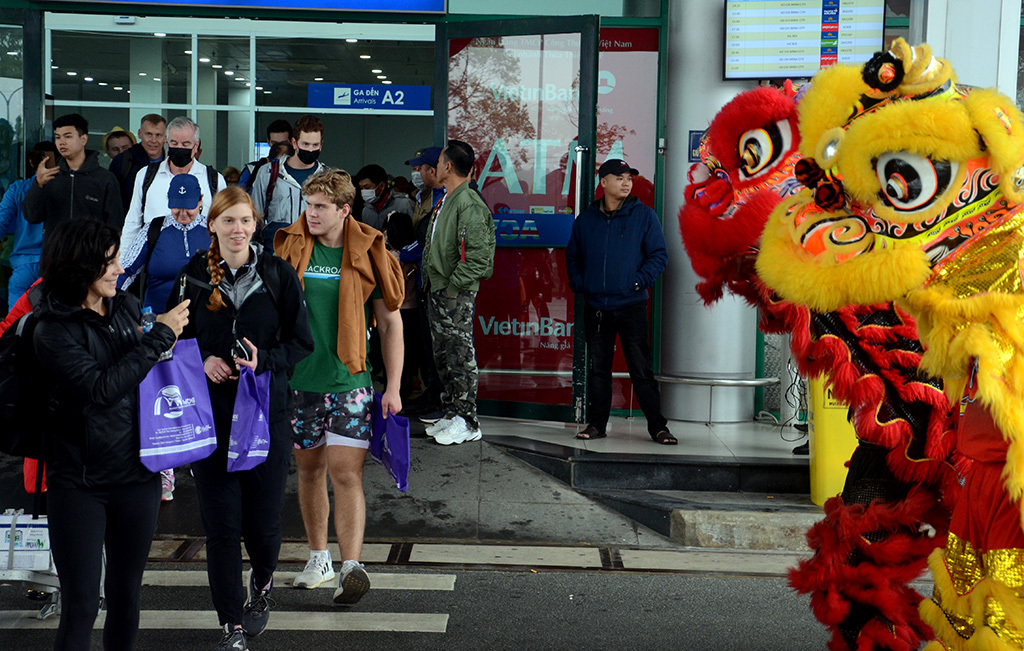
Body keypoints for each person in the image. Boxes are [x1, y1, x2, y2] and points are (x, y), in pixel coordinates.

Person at [32, 218, 189, 651]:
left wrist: (162, 339)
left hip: (137, 473)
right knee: (81, 605)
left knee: (125, 597)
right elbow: (101, 389)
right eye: (109, 261)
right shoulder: (52, 329)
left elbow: (141, 371)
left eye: (118, 258)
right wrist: (159, 337)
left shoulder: (121, 305)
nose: (119, 268)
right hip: (79, 481)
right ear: (79, 266)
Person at [174, 186, 312, 650]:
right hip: (211, 417)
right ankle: (230, 624)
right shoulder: (193, 275)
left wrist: (265, 361)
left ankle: (263, 584)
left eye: (245, 221)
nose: (237, 229)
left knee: (264, 526)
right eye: (228, 221)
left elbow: (301, 343)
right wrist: (203, 359)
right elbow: (173, 339)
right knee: (221, 528)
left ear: (257, 225)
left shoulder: (278, 274)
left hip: (265, 415)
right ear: (211, 224)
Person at [274, 169, 404, 602]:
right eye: (308, 205)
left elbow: (389, 322)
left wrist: (394, 387)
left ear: (344, 210)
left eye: (320, 207)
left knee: (345, 473)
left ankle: (352, 565)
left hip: (351, 379)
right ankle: (318, 558)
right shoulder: (291, 245)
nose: (310, 214)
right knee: (309, 471)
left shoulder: (369, 249)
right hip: (300, 379)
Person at [565, 158, 674, 445]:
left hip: (631, 306)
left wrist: (637, 282)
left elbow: (658, 256)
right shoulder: (586, 221)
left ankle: (658, 428)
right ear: (604, 183)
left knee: (641, 370)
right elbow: (573, 258)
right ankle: (597, 425)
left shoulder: (644, 216)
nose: (626, 182)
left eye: (629, 178)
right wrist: (582, 284)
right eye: (620, 177)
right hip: (597, 307)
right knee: (599, 370)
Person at [421, 140, 496, 445]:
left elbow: (479, 258)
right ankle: (452, 412)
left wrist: (453, 288)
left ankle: (467, 420)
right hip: (439, 290)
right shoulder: (448, 198)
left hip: (455, 292)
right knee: (445, 355)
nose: (434, 168)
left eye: (438, 162)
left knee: (460, 355)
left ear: (448, 167)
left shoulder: (469, 203)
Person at [119, 116, 224, 266]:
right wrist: (122, 265)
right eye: (174, 143)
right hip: (155, 264)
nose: (179, 148)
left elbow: (225, 225)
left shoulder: (214, 180)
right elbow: (133, 222)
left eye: (186, 143)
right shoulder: (146, 176)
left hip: (202, 266)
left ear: (196, 145)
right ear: (167, 142)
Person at [22, 113, 123, 238]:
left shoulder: (105, 179)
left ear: (83, 139)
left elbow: (115, 225)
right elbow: (31, 217)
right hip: (56, 253)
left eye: (68, 136)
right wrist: (38, 184)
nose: (62, 142)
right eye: (58, 137)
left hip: (91, 254)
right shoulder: (50, 176)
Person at [251, 115, 328, 252]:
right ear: (294, 143)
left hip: (313, 252)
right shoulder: (268, 173)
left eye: (315, 145)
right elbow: (255, 217)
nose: (310, 150)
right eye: (305, 144)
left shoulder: (327, 178)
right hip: (275, 251)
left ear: (321, 145)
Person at [0, 142, 55, 310]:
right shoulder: (64, 188)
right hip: (54, 266)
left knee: (15, 324)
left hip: (23, 266)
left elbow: (2, 222)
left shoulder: (17, 189)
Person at [109, 114, 167, 216]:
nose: (153, 140)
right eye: (149, 134)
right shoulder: (122, 161)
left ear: (165, 137)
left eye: (158, 135)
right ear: (140, 134)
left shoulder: (173, 162)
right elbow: (112, 202)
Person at [355, 163, 416, 232]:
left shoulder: (404, 205)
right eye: (361, 188)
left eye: (367, 187)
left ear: (381, 186)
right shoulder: (366, 210)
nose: (364, 191)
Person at [239, 119, 292, 191]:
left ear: (292, 142)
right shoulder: (252, 170)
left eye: (283, 143)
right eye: (274, 143)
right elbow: (239, 197)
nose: (279, 147)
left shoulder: (300, 169)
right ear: (268, 142)